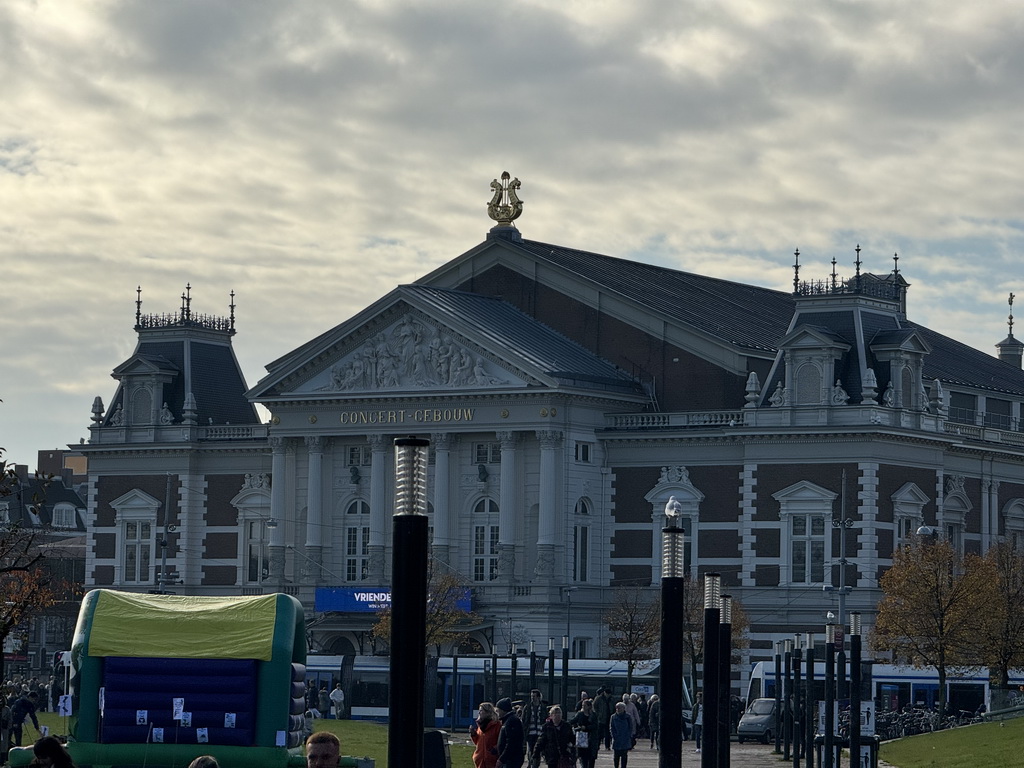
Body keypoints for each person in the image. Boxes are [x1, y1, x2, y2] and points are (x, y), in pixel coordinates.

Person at [495, 697, 526, 768]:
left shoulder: (512, 721)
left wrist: (502, 759)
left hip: (511, 759)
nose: (497, 712)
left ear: (503, 710)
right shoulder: (508, 720)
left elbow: (511, 743)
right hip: (509, 759)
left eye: (498, 710)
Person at [470, 702, 501, 768]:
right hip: (480, 760)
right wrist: (473, 734)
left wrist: (494, 749)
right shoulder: (480, 725)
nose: (479, 713)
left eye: (481, 710)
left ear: (488, 712)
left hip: (491, 760)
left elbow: (500, 741)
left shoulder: (497, 725)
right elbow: (478, 742)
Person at [570, 697, 597, 768]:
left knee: (591, 759)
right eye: (582, 706)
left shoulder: (593, 715)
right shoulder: (580, 714)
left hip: (591, 739)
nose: (583, 707)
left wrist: (587, 727)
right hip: (582, 738)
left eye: (584, 705)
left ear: (589, 706)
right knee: (583, 759)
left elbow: (595, 726)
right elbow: (573, 721)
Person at [521, 689, 547, 763]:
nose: (532, 698)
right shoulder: (527, 707)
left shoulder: (543, 707)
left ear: (538, 697)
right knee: (531, 748)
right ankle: (531, 761)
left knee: (538, 749)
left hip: (540, 731)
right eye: (531, 696)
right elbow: (523, 719)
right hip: (530, 732)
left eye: (534, 696)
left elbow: (545, 718)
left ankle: (535, 762)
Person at [609, 702, 633, 768]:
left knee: (624, 756)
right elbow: (611, 727)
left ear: (623, 708)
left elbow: (630, 727)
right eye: (616, 708)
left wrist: (628, 736)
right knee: (616, 756)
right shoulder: (613, 717)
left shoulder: (628, 717)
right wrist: (614, 736)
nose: (617, 709)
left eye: (619, 708)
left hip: (625, 739)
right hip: (616, 739)